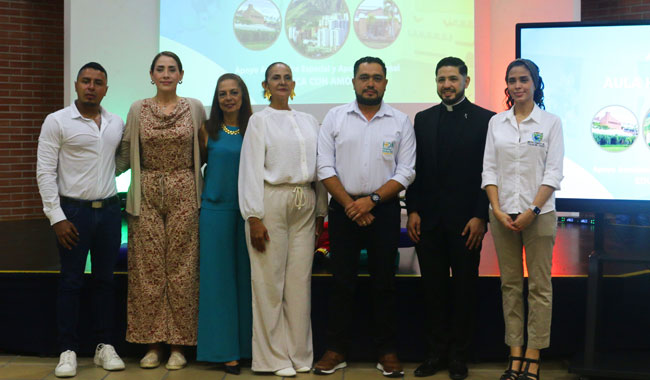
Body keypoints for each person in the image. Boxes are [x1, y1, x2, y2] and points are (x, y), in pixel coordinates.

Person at [315, 56, 416, 378]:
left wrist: (370, 201)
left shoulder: (400, 121)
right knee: (341, 284)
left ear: (385, 82)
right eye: (364, 77)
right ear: (354, 81)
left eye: (376, 78)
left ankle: (386, 351)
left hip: (383, 211)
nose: (370, 83)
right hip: (343, 211)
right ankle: (336, 350)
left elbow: (407, 171)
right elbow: (324, 166)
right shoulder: (335, 117)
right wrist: (350, 205)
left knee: (383, 284)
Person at [405, 57, 495, 380]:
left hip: (467, 224)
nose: (447, 85)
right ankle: (435, 354)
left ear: (466, 81)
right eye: (441, 79)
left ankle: (459, 356)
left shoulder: (487, 120)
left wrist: (479, 215)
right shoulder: (423, 119)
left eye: (453, 79)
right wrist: (412, 209)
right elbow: (416, 169)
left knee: (465, 291)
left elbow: (489, 173)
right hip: (428, 222)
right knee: (433, 291)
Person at [116, 51, 206, 370]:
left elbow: (206, 150)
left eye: (172, 69)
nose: (166, 74)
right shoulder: (137, 109)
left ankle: (180, 346)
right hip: (146, 193)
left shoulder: (194, 107)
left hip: (185, 191)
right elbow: (126, 153)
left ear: (181, 75)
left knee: (183, 270)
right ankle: (153, 345)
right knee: (147, 271)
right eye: (160, 69)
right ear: (151, 74)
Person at [37, 62, 126, 378]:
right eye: (86, 81)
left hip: (111, 211)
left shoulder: (116, 123)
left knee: (105, 281)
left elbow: (119, 161)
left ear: (105, 88)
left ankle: (105, 346)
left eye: (98, 82)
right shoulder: (57, 121)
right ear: (76, 85)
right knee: (71, 281)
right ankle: (67, 350)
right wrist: (56, 217)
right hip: (73, 213)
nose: (91, 86)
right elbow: (45, 171)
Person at [238, 62, 327, 377]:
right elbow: (249, 168)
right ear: (266, 84)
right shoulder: (259, 121)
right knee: (268, 283)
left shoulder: (308, 121)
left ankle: (299, 354)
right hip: (270, 201)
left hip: (305, 200)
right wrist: (253, 217)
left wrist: (320, 212)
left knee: (299, 283)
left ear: (294, 83)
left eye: (288, 77)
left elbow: (320, 166)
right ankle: (272, 358)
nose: (283, 81)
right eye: (276, 77)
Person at [482, 59, 564, 380]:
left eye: (524, 80)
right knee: (510, 285)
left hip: (539, 215)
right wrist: (497, 209)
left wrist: (532, 210)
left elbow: (553, 172)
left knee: (540, 287)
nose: (518, 86)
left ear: (535, 83)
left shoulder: (550, 122)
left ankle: (534, 354)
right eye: (512, 80)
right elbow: (489, 169)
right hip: (501, 216)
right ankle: (515, 353)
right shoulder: (496, 123)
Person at [196, 73, 253, 375]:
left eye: (234, 92)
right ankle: (224, 351)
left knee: (246, 281)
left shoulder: (254, 128)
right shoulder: (207, 130)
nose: (228, 98)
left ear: (243, 96)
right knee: (218, 283)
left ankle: (247, 348)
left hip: (247, 213)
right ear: (217, 99)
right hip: (215, 212)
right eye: (222, 94)